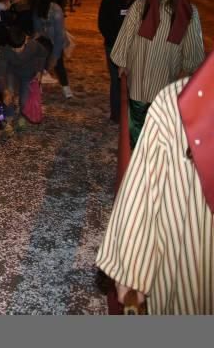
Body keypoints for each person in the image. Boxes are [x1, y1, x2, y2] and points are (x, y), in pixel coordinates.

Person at [96, 51, 214, 314]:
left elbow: (145, 192)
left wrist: (129, 266)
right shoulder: (186, 12)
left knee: (144, 144)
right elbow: (194, 52)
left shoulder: (178, 101)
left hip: (146, 90)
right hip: (167, 80)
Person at [110, 0, 205, 147]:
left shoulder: (188, 11)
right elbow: (127, 33)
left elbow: (193, 42)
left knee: (161, 119)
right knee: (137, 117)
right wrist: (122, 60)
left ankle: (156, 156)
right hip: (140, 69)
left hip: (167, 72)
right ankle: (138, 156)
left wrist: (190, 67)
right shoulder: (141, 6)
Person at [97, 0, 144, 122]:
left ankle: (134, 114)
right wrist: (117, 42)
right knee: (116, 81)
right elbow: (103, 23)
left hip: (137, 47)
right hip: (114, 46)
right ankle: (117, 114)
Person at [0, 26, 50, 131]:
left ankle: (23, 115)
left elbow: (43, 54)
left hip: (28, 74)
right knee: (8, 95)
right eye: (14, 48)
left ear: (25, 40)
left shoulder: (33, 45)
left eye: (19, 47)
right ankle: (9, 118)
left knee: (24, 100)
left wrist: (39, 70)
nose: (17, 51)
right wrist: (4, 90)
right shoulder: (5, 50)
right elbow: (0, 74)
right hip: (11, 73)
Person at [33, 0, 73, 99]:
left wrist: (55, 56)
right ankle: (37, 85)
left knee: (59, 63)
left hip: (56, 39)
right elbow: (37, 29)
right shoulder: (37, 7)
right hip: (44, 38)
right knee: (38, 61)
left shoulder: (56, 9)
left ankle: (66, 87)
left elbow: (59, 35)